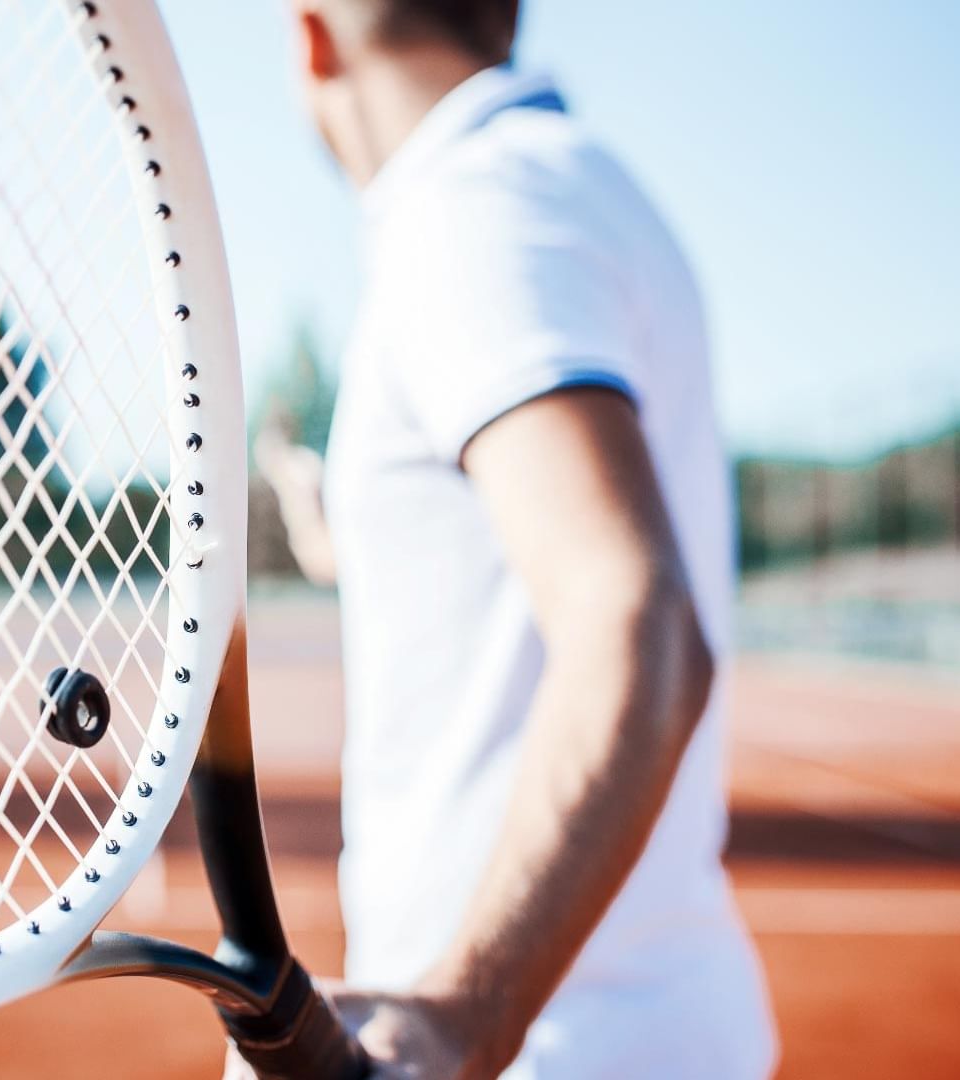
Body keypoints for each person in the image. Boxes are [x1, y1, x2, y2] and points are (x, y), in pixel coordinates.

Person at [248, 2, 779, 1076]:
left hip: (550, 1047)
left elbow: (643, 628)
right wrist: (339, 525)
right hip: (647, 1028)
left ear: (311, 36)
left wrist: (465, 1011)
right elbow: (510, 568)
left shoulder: (472, 212)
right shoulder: (573, 186)